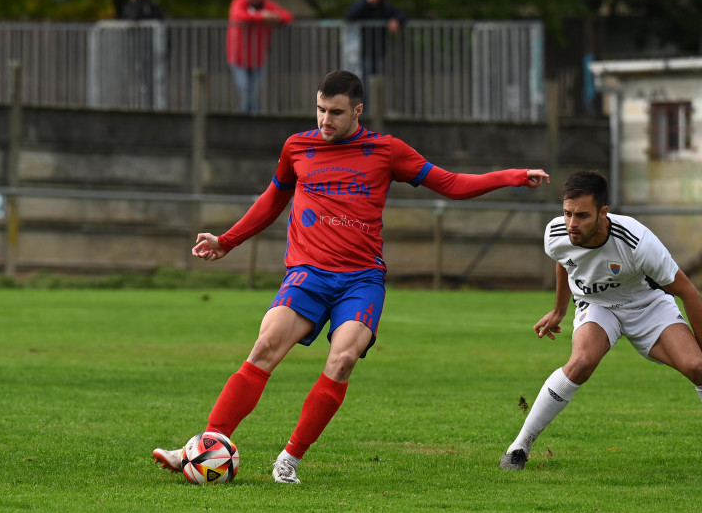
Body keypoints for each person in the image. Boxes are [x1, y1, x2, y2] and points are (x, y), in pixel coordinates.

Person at [153, 70, 550, 484]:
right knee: (265, 346)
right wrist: (227, 240)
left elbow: (449, 183)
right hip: (307, 274)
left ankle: (289, 459)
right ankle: (204, 447)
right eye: (321, 110)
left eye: (336, 113)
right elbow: (273, 199)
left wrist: (514, 176)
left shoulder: (386, 150)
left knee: (342, 360)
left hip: (360, 281)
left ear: (358, 110)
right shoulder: (296, 147)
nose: (326, 120)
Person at [499, 171, 702, 474]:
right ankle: (519, 448)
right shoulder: (556, 234)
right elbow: (565, 261)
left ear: (604, 213)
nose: (572, 224)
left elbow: (688, 292)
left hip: (647, 306)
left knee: (698, 369)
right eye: (567, 213)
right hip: (598, 306)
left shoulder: (636, 241)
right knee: (580, 363)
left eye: (582, 216)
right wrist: (559, 310)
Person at [226, 0, 293, 112]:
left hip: (258, 57)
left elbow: (287, 16)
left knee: (255, 91)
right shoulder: (238, 3)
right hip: (238, 57)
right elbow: (239, 16)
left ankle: (252, 114)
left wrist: (274, 17)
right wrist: (263, 17)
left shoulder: (265, 5)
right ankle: (249, 116)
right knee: (244, 88)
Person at [345, 0, 406, 83]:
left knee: (375, 78)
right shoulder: (362, 6)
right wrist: (366, 2)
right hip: (362, 48)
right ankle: (365, 99)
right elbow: (350, 15)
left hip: (378, 49)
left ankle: (373, 99)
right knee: (363, 78)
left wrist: (396, 20)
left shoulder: (385, 7)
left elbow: (401, 14)